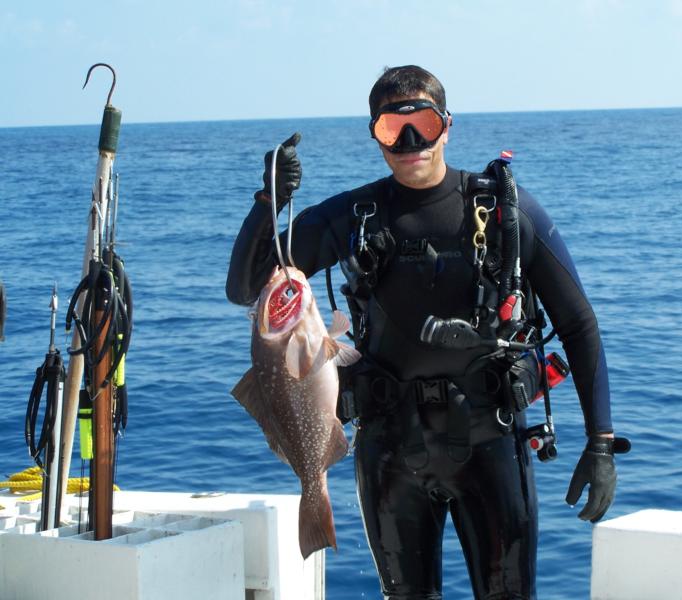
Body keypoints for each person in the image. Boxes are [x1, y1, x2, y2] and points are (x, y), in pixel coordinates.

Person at [227, 65, 625, 600]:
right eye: (394, 129)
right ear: (375, 134)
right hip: (390, 449)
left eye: (424, 125)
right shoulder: (353, 216)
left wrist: (599, 442)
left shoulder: (506, 211)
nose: (411, 142)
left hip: (491, 442)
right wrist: (267, 201)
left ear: (448, 125)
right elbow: (245, 286)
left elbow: (577, 323)